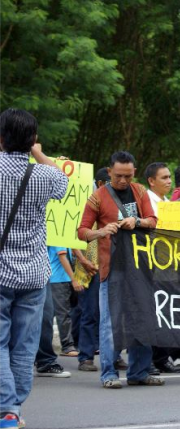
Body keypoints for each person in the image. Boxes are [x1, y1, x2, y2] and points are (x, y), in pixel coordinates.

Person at [0, 108, 68, 428]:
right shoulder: (45, 176)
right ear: (33, 141)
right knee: (24, 344)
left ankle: (6, 409)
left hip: (0, 272)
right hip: (34, 274)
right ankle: (15, 407)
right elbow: (61, 179)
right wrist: (38, 153)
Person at [77, 151, 163, 389]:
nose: (123, 181)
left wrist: (136, 222)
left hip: (140, 268)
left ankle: (139, 372)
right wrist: (101, 232)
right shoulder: (97, 197)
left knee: (142, 319)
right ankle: (108, 374)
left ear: (134, 172)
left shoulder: (141, 192)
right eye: (118, 176)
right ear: (109, 171)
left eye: (128, 176)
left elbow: (153, 221)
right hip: (110, 269)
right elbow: (82, 231)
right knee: (108, 324)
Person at [142, 162, 180, 374]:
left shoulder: (169, 203)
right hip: (150, 263)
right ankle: (146, 359)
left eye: (169, 177)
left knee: (164, 312)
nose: (169, 181)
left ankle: (161, 357)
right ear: (151, 181)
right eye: (164, 177)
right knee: (150, 311)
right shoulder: (145, 201)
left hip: (168, 263)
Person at [72, 169, 107, 372]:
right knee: (90, 313)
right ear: (100, 184)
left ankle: (111, 354)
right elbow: (71, 237)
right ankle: (85, 357)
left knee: (110, 314)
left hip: (108, 268)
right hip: (88, 269)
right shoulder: (84, 205)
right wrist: (83, 260)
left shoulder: (113, 207)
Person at [34, 246, 84, 379]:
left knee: (53, 316)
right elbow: (62, 257)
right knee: (60, 315)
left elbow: (73, 249)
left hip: (52, 277)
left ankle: (44, 359)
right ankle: (67, 346)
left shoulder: (62, 237)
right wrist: (74, 279)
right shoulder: (58, 238)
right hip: (56, 278)